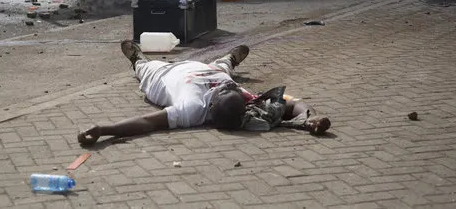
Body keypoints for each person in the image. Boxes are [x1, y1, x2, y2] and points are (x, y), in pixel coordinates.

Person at [77, 40, 331, 146]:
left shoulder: (192, 107)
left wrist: (104, 129)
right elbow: (291, 102)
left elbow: (146, 122)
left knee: (144, 69)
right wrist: (309, 117)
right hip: (207, 68)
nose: (226, 86)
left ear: (211, 108)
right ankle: (230, 59)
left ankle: (137, 58)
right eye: (230, 88)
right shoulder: (237, 95)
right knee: (222, 68)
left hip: (164, 75)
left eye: (225, 90)